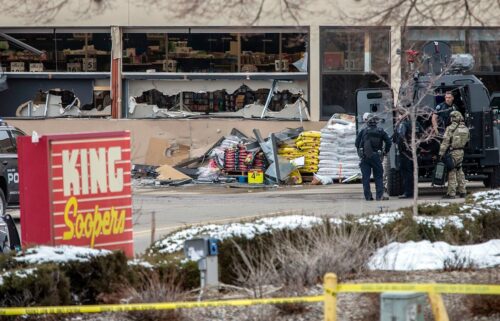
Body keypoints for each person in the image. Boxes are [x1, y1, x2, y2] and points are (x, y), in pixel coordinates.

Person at [355, 113, 392, 201]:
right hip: (377, 157)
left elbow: (356, 143)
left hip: (365, 157)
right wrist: (385, 151)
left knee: (366, 178)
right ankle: (379, 196)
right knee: (378, 176)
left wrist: (361, 152)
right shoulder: (381, 131)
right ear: (376, 122)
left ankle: (368, 196)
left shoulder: (363, 131)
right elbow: (389, 142)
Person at [438, 111, 470, 199]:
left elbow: (445, 142)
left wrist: (441, 153)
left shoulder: (450, 128)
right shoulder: (465, 128)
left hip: (453, 152)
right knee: (460, 170)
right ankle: (463, 191)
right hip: (461, 152)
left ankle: (451, 193)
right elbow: (468, 140)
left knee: (451, 171)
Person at [394, 114, 414, 199]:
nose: (398, 117)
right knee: (409, 172)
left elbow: (400, 138)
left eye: (399, 115)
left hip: (404, 152)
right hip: (410, 151)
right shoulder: (411, 123)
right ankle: (409, 192)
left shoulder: (403, 125)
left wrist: (400, 148)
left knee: (406, 173)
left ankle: (408, 193)